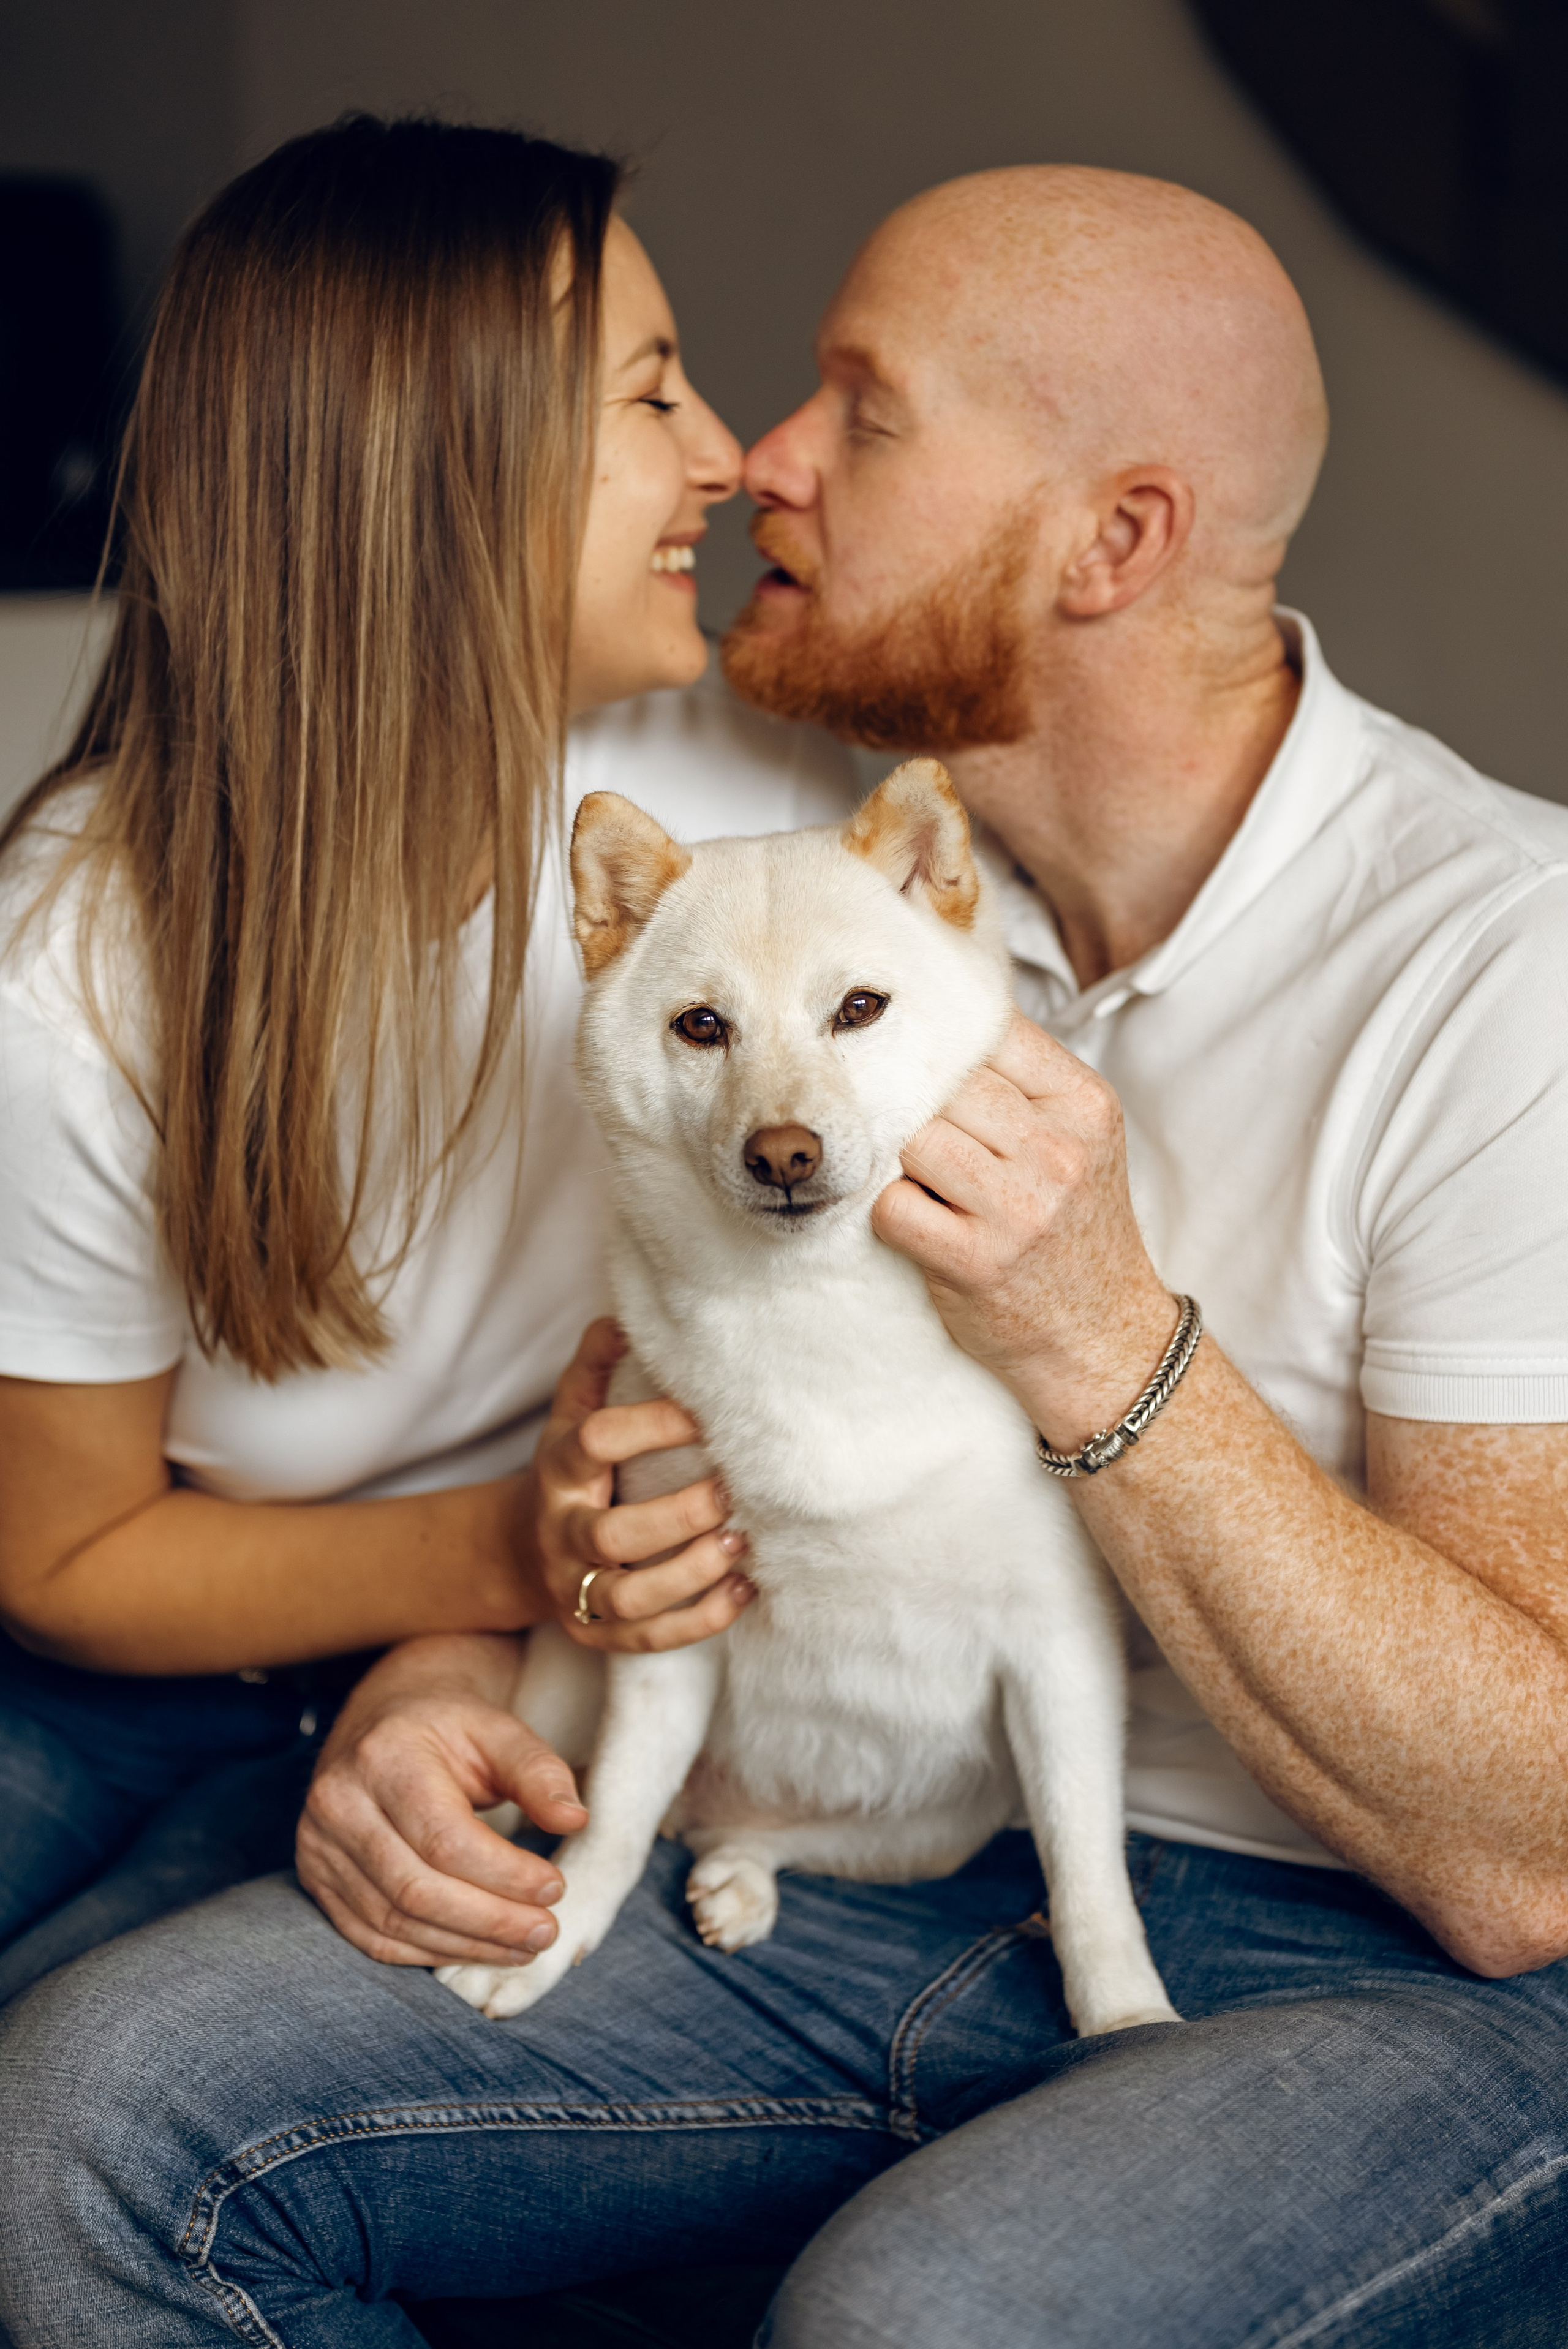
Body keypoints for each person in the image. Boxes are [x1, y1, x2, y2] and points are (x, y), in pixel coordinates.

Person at [5, 157, 1568, 2349]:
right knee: (85, 2113)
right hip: (852, 1838)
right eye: (725, 392)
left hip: (1331, 1933)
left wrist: (1102, 1333)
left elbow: (1533, 1852)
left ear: (1112, 541)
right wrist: (467, 1649)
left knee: (920, 2320)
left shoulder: (1500, 966)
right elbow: (653, 1407)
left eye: (868, 410)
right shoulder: (831, 870)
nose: (763, 461)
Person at [0, 113, 853, 2011]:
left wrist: (503, 1620)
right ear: (444, 473)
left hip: (519, 1650)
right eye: (649, 394)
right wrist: (502, 1550)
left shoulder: (751, 815)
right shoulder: (78, 967)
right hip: (140, 1647)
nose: (723, 455)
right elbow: (63, 1549)